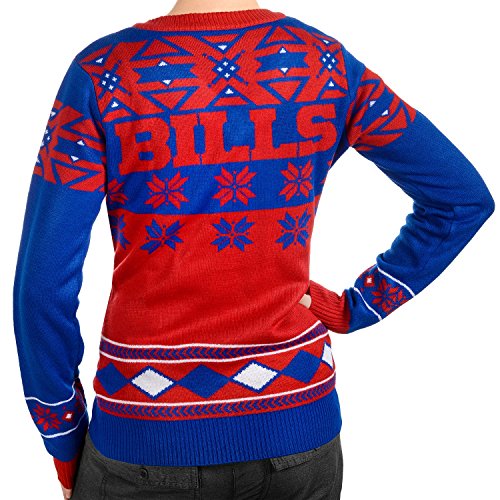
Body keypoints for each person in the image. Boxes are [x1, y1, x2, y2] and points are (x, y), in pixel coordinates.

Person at [12, 0, 495, 499]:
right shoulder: (326, 64)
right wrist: (357, 307)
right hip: (298, 428)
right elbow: (460, 199)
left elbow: (42, 286)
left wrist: (63, 437)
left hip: (146, 433)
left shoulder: (104, 74)